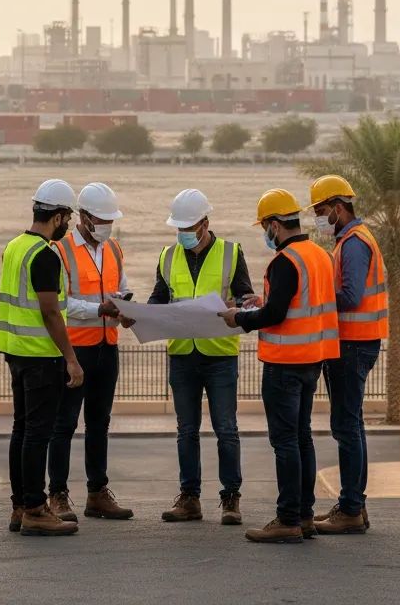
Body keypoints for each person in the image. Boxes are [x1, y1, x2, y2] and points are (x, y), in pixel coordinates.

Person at [219, 189, 339, 544]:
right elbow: (298, 302)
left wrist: (239, 317)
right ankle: (304, 515)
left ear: (274, 225)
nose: (266, 233)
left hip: (284, 364)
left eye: (265, 227)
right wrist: (263, 300)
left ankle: (287, 518)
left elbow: (277, 314)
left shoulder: (285, 260)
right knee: (302, 438)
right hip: (312, 360)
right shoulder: (318, 255)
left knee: (285, 442)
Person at [145, 187, 254, 525]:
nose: (182, 235)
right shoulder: (167, 255)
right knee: (186, 430)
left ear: (205, 223)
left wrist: (238, 306)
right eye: (178, 228)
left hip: (220, 354)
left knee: (226, 429)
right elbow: (158, 298)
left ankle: (230, 498)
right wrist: (142, 314)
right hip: (182, 354)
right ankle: (189, 498)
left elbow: (246, 297)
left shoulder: (231, 253)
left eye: (188, 228)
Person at [0, 178, 84, 537]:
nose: (68, 226)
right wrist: (71, 359)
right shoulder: (45, 254)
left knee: (21, 429)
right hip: (41, 357)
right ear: (60, 216)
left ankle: (21, 505)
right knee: (37, 434)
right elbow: (50, 312)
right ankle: (35, 507)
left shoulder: (14, 246)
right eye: (68, 219)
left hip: (15, 352)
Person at [47, 182, 135, 522]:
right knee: (64, 423)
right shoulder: (61, 250)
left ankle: (97, 493)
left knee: (99, 423)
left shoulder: (113, 249)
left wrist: (127, 308)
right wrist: (98, 309)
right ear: (82, 217)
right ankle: (58, 495)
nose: (107, 226)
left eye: (110, 220)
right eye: (101, 219)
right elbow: (61, 302)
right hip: (76, 349)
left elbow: (122, 289)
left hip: (107, 347)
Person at [309, 174, 389, 535]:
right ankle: (351, 504)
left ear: (338, 208)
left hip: (353, 344)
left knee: (346, 427)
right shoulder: (351, 239)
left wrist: (315, 299)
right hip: (357, 342)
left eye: (322, 211)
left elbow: (351, 296)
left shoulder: (354, 244)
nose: (319, 218)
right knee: (352, 425)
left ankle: (352, 508)